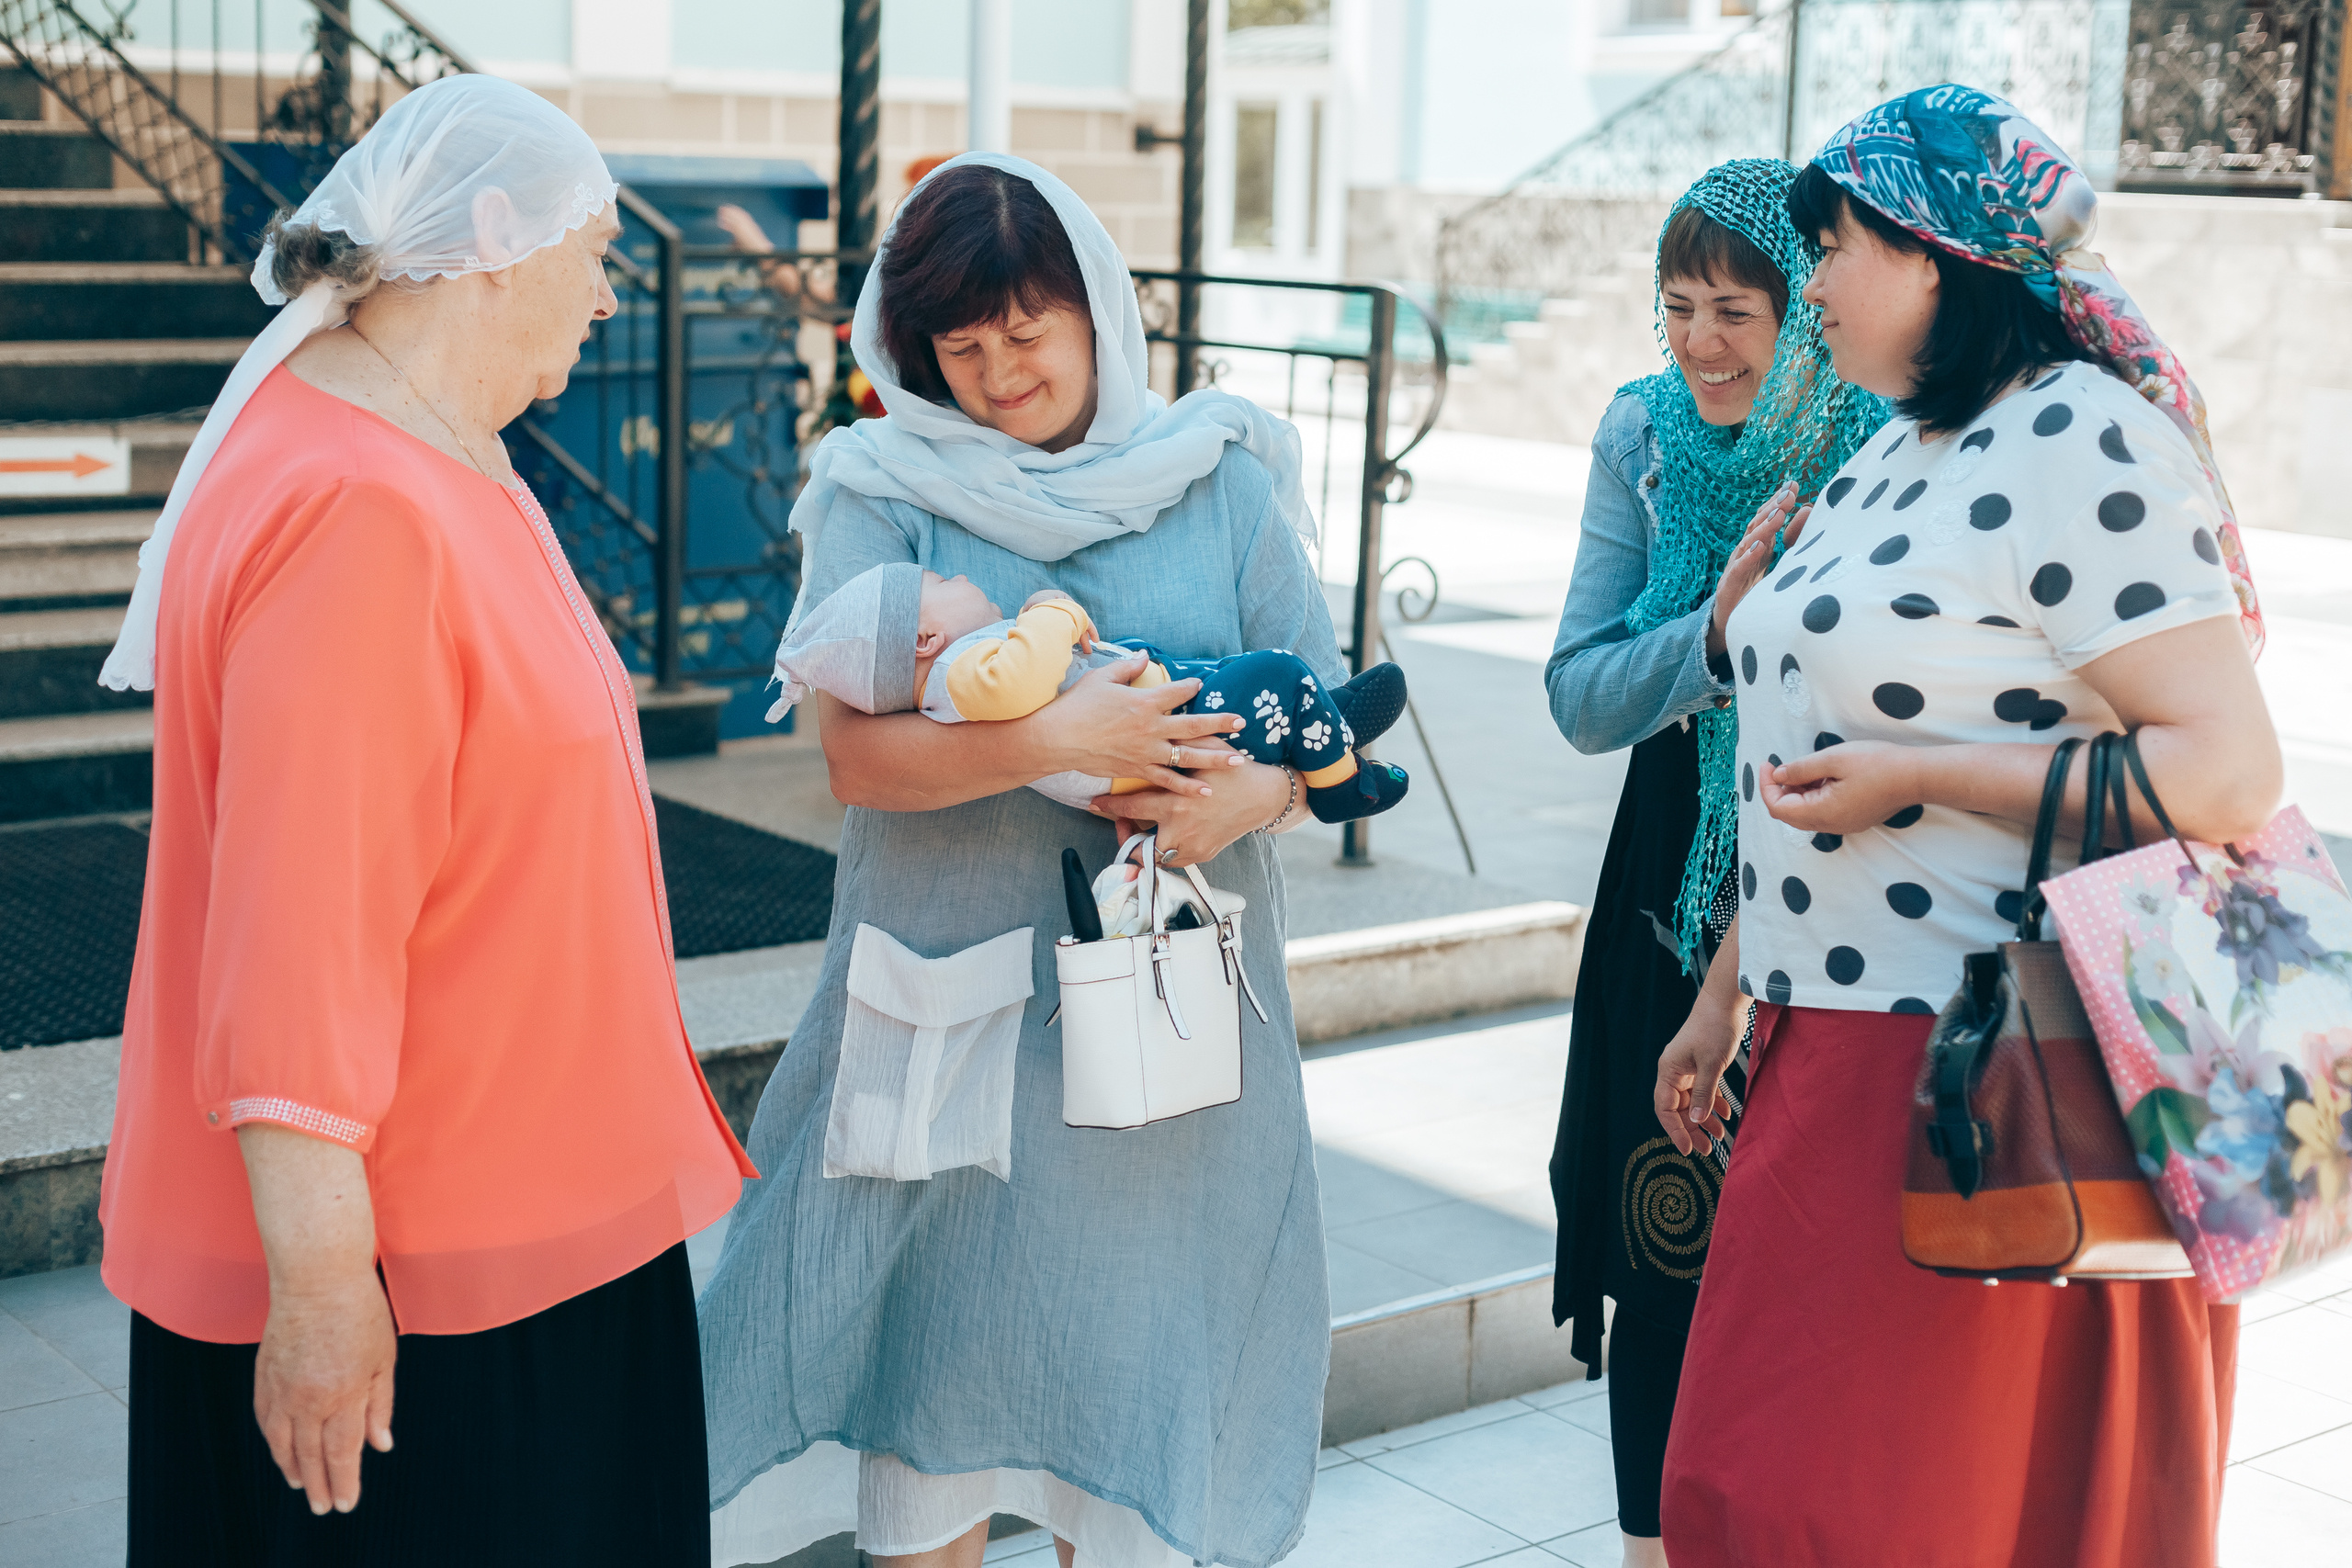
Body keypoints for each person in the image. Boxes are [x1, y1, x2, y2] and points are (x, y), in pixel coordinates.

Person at [96, 74, 753, 1565]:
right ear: (499, 238)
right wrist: (325, 1293)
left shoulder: (432, 449)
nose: (603, 302)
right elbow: (299, 947)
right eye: (595, 258)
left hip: (513, 1233)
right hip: (438, 1287)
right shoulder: (362, 508)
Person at [1654, 86, 2272, 1566]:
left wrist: (1932, 775)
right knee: (1751, 1499)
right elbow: (1818, 754)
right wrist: (1727, 986)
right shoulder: (1899, 445)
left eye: (1836, 246)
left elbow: (2230, 771)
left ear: (1941, 253)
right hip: (1829, 1045)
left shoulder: (2082, 437)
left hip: (1991, 1069)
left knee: (1888, 1510)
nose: (1809, 284)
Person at [695, 153, 1339, 1568]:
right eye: (962, 345)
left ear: (1098, 309)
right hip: (951, 1000)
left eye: (1027, 332)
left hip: (1157, 1040)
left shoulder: (1222, 478)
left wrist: (1246, 800)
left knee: (1122, 1446)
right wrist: (1060, 729)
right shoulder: (878, 486)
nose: (998, 374)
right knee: (930, 1426)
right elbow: (858, 759)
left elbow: (1326, 716)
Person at [1543, 158, 1885, 1568]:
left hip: (1836, 861)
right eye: (1678, 306)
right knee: (1663, 1242)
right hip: (1667, 868)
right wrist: (1713, 640)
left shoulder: (1869, 436)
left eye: (1736, 309)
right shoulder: (1641, 432)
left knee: (1807, 1254)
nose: (1700, 343)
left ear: (1802, 308)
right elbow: (1577, 690)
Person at [767, 562, 1410, 817]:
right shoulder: (961, 670)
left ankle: (1332, 723)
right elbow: (1015, 682)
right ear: (925, 638)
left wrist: (1269, 796)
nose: (961, 575)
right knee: (1277, 674)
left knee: (1247, 680)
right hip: (1160, 730)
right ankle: (1342, 780)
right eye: (942, 579)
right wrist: (1053, 611)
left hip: (1163, 708)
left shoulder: (949, 677)